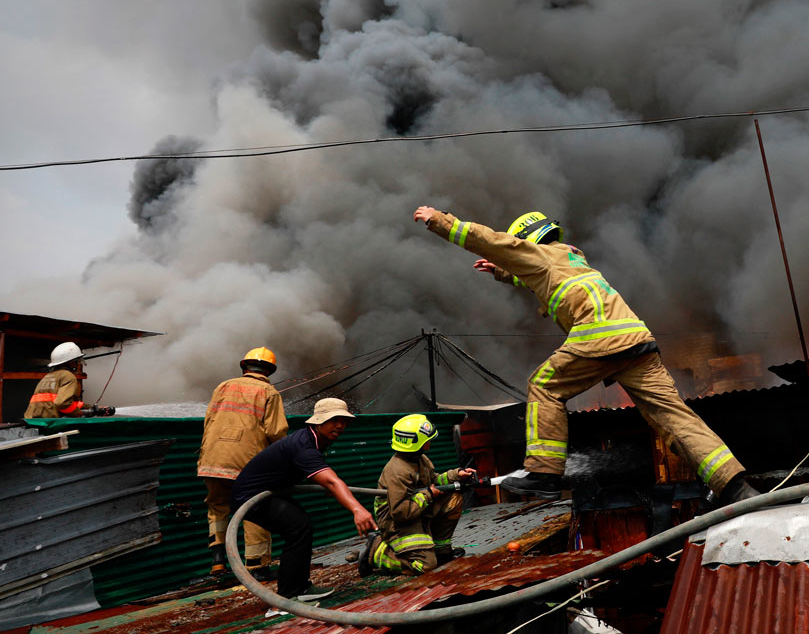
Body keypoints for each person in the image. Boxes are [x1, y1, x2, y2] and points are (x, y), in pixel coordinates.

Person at [413, 206, 758, 507]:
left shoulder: (537, 255)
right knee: (675, 418)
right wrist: (504, 272)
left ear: (528, 241)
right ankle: (733, 487)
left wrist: (438, 220)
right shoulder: (571, 257)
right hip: (637, 341)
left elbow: (490, 240)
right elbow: (541, 277)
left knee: (544, 385)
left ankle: (543, 473)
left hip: (600, 339)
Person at [231, 397, 378, 602]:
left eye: (343, 421)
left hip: (269, 492)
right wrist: (357, 510)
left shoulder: (312, 440)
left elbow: (323, 479)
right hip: (251, 497)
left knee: (301, 527)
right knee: (298, 527)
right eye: (333, 420)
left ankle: (299, 587)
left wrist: (327, 486)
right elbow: (333, 482)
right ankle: (289, 595)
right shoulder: (304, 446)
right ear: (318, 421)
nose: (339, 425)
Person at [197, 347, 288, 578]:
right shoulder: (270, 392)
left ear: (244, 367)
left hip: (212, 459)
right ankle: (257, 567)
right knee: (254, 510)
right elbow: (276, 432)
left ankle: (218, 563)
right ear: (269, 371)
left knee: (218, 509)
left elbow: (209, 421)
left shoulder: (223, 386)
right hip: (247, 464)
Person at [358, 414, 473, 576]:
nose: (430, 442)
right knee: (426, 565)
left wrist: (457, 474)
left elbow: (434, 479)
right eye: (427, 439)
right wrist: (428, 495)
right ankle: (378, 552)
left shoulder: (420, 459)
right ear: (415, 443)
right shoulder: (397, 471)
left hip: (416, 512)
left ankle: (441, 551)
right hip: (396, 524)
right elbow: (400, 513)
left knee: (454, 499)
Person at [25, 342, 87, 418]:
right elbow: (62, 404)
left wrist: (88, 407)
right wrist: (79, 413)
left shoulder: (48, 376)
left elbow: (58, 401)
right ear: (71, 362)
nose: (78, 363)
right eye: (77, 360)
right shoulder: (68, 376)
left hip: (34, 420)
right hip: (51, 422)